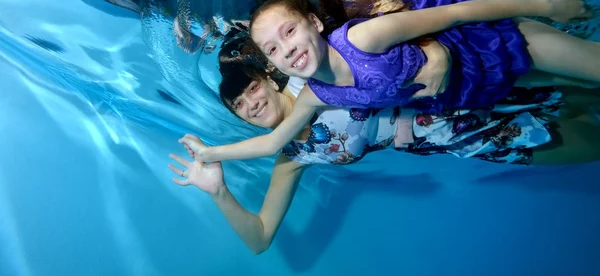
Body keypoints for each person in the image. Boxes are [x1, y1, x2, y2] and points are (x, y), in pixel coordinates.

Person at [168, 56, 600, 254]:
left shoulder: (310, 75)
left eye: (251, 89)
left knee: (584, 90)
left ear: (266, 75)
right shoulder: (294, 157)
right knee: (586, 141)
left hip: (457, 89)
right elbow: (260, 239)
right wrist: (218, 192)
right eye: (239, 106)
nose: (251, 104)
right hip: (460, 137)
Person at [184, 0, 600, 163]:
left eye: (289, 33)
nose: (286, 50)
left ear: (314, 22)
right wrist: (209, 154)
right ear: (272, 66)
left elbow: (456, 13)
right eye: (272, 50)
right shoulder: (316, 95)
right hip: (478, 88)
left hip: (490, 44)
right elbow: (271, 144)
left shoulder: (360, 39)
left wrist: (548, 6)